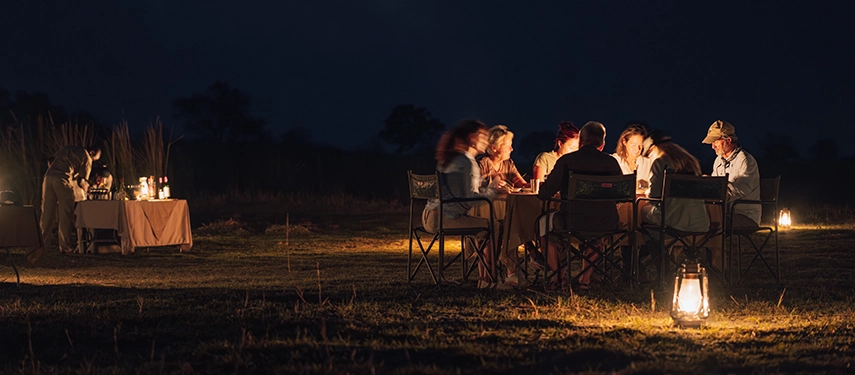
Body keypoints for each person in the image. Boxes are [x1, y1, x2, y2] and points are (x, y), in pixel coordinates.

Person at [537, 121, 622, 290]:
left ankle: (559, 277)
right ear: (602, 144)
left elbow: (544, 193)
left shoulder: (567, 161)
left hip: (572, 221)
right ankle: (585, 281)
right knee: (596, 235)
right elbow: (620, 195)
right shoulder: (611, 162)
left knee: (542, 224)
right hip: (605, 222)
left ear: (580, 141)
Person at [421, 120, 501, 288]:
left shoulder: (449, 158)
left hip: (429, 216)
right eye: (484, 137)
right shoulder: (467, 162)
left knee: (482, 227)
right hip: (445, 218)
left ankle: (484, 277)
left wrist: (483, 186)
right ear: (472, 138)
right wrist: (493, 191)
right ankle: (490, 279)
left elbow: (458, 190)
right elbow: (470, 197)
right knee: (494, 226)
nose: (486, 141)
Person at [639, 130, 711, 279]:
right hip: (699, 222)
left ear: (653, 148)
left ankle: (659, 268)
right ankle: (655, 263)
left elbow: (654, 197)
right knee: (653, 223)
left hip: (673, 222)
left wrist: (646, 192)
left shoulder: (660, 162)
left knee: (642, 213)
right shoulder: (691, 162)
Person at [41, 145, 101, 254]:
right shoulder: (87, 157)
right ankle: (65, 247)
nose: (93, 161)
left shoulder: (67, 148)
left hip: (48, 178)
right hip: (63, 180)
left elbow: (50, 160)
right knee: (65, 214)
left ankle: (43, 245)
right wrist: (88, 191)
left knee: (46, 214)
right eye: (94, 159)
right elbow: (81, 181)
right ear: (92, 152)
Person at [702, 120, 761, 228]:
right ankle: (705, 245)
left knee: (708, 221)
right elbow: (715, 191)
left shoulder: (746, 160)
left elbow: (742, 190)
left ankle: (710, 245)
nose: (713, 146)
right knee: (697, 218)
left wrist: (713, 184)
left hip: (745, 216)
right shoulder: (718, 161)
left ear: (728, 140)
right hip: (724, 213)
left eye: (715, 141)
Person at [478, 125, 528, 193]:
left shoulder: (508, 163)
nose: (511, 149)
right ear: (494, 148)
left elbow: (523, 185)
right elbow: (474, 191)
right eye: (507, 146)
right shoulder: (482, 164)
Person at [611, 123, 654, 191]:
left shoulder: (647, 163)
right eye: (633, 145)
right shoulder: (614, 161)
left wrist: (643, 186)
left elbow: (654, 187)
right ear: (624, 142)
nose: (637, 149)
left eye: (640, 145)